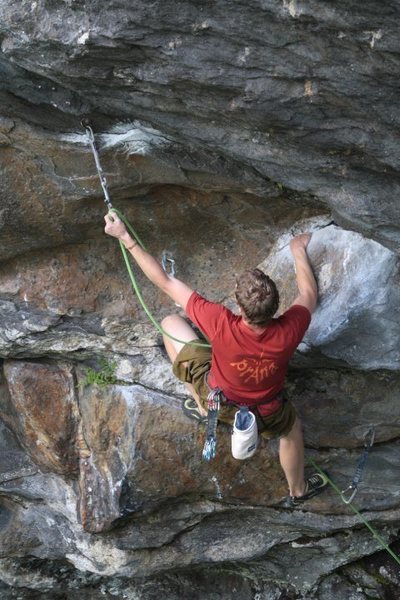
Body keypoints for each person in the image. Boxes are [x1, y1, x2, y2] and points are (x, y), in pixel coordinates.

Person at [104, 211, 328, 505]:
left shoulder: (219, 321)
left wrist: (125, 238)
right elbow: (308, 294)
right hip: (269, 411)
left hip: (219, 402)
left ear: (237, 304)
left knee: (171, 323)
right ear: (275, 308)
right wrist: (298, 249)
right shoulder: (289, 329)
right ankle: (297, 491)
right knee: (291, 430)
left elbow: (164, 281)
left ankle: (198, 403)